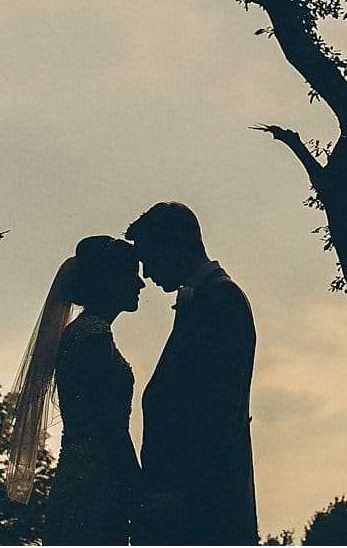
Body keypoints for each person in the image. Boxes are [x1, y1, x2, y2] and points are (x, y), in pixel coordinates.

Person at [126, 202, 258, 545]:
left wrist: (182, 491)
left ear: (174, 244)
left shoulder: (221, 301)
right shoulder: (204, 301)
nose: (147, 272)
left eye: (149, 257)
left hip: (198, 506)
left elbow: (219, 409)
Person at [6, 235, 145, 544]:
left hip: (77, 468)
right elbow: (109, 424)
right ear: (110, 280)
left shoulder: (80, 333)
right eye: (131, 275)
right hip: (98, 476)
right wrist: (137, 488)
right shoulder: (94, 337)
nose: (140, 285)